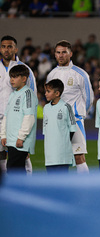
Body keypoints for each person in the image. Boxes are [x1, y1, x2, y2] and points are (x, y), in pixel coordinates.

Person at [46, 40, 94, 173]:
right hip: (57, 123)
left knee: (79, 156)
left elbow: (89, 98)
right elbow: (50, 98)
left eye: (64, 52)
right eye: (58, 52)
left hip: (75, 121)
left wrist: (80, 114)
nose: (61, 55)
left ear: (71, 53)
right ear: (55, 54)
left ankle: (85, 187)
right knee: (59, 157)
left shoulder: (80, 74)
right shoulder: (51, 75)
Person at [0, 35, 37, 174]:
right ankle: (7, 185)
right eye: (3, 46)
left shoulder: (24, 69)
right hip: (2, 119)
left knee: (22, 154)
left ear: (15, 49)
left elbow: (32, 93)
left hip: (19, 119)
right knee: (1, 154)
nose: (6, 49)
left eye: (10, 46)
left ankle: (27, 183)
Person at [43, 79, 77, 172]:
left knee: (62, 182)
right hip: (49, 154)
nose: (45, 93)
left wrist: (64, 142)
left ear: (57, 93)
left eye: (48, 91)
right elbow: (45, 130)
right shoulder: (46, 108)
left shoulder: (66, 107)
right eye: (46, 91)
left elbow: (72, 128)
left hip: (62, 154)